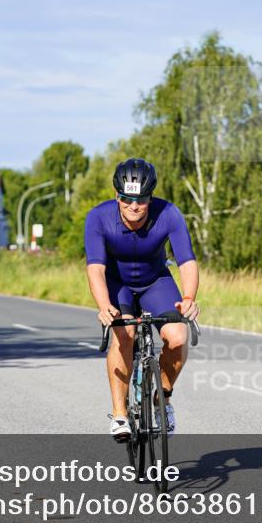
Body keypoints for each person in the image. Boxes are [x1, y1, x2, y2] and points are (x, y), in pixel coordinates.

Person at [84, 158, 200, 441]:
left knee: (178, 336)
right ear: (116, 196)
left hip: (155, 282)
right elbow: (96, 269)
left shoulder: (169, 214)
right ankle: (120, 414)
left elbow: (186, 262)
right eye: (126, 198)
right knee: (124, 334)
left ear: (151, 197)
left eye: (141, 199)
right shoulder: (98, 217)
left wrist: (188, 298)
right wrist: (104, 306)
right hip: (117, 283)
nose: (134, 206)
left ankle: (163, 399)